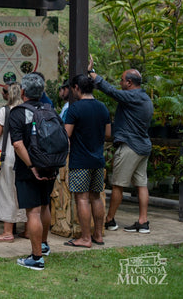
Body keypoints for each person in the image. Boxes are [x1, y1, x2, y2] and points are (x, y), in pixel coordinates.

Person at [88, 57, 153, 233]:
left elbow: (112, 92)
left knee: (117, 184)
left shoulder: (133, 96)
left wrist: (94, 75)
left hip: (130, 146)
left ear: (130, 83)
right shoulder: (145, 97)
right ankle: (143, 221)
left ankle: (110, 220)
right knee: (141, 185)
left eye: (122, 80)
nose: (120, 82)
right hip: (143, 146)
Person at [9, 73, 56, 270]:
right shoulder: (50, 109)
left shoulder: (18, 112)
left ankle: (36, 258)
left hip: (29, 168)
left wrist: (31, 166)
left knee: (33, 212)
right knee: (45, 205)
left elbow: (18, 145)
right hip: (50, 165)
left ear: (22, 91)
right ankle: (43, 245)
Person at [63, 75, 111, 248]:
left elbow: (66, 134)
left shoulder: (74, 108)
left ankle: (85, 238)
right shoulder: (102, 107)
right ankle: (98, 234)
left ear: (76, 87)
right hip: (98, 159)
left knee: (82, 198)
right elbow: (108, 134)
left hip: (80, 160)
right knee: (96, 197)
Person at [0, 82, 27, 242]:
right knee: (23, 193)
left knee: (6, 192)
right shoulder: (27, 111)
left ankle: (7, 232)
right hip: (25, 156)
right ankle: (29, 230)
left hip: (8, 156)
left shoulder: (5, 111)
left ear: (8, 94)